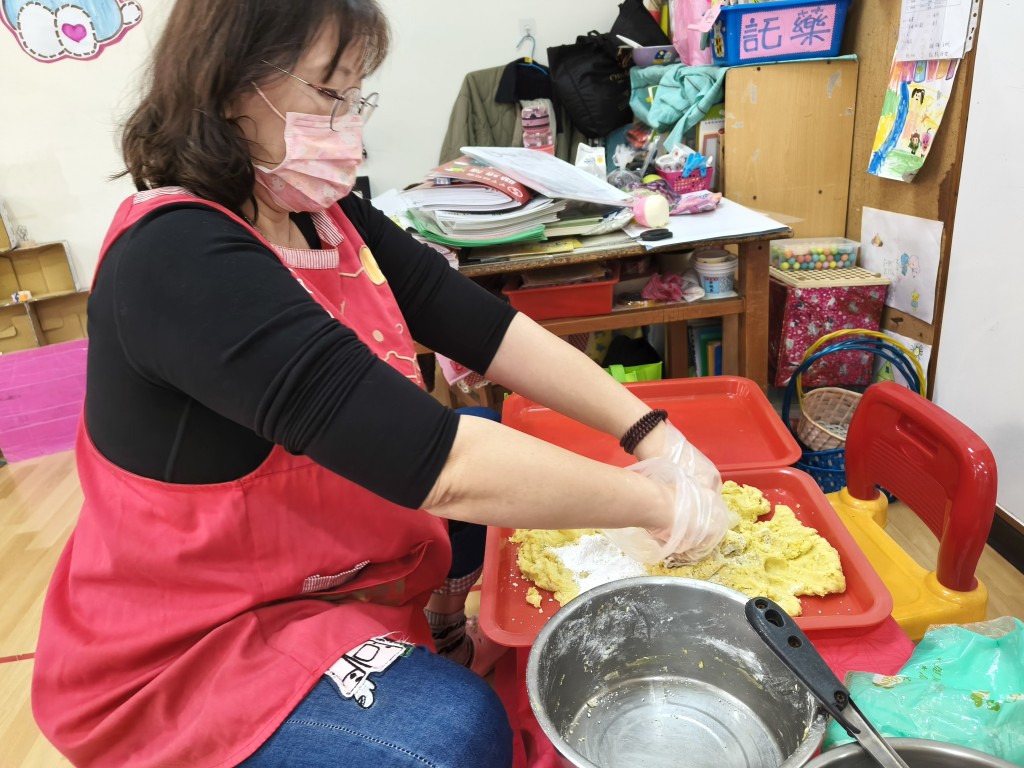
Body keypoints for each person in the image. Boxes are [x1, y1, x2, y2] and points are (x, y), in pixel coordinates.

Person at [31, 1, 732, 766]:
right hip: (200, 642)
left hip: (322, 575)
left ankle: (436, 638)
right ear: (229, 85)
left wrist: (650, 432)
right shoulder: (178, 259)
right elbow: (443, 467)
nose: (347, 125)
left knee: (490, 435)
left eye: (354, 95)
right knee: (452, 734)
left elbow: (482, 327)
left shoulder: (324, 218)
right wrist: (662, 505)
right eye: (328, 93)